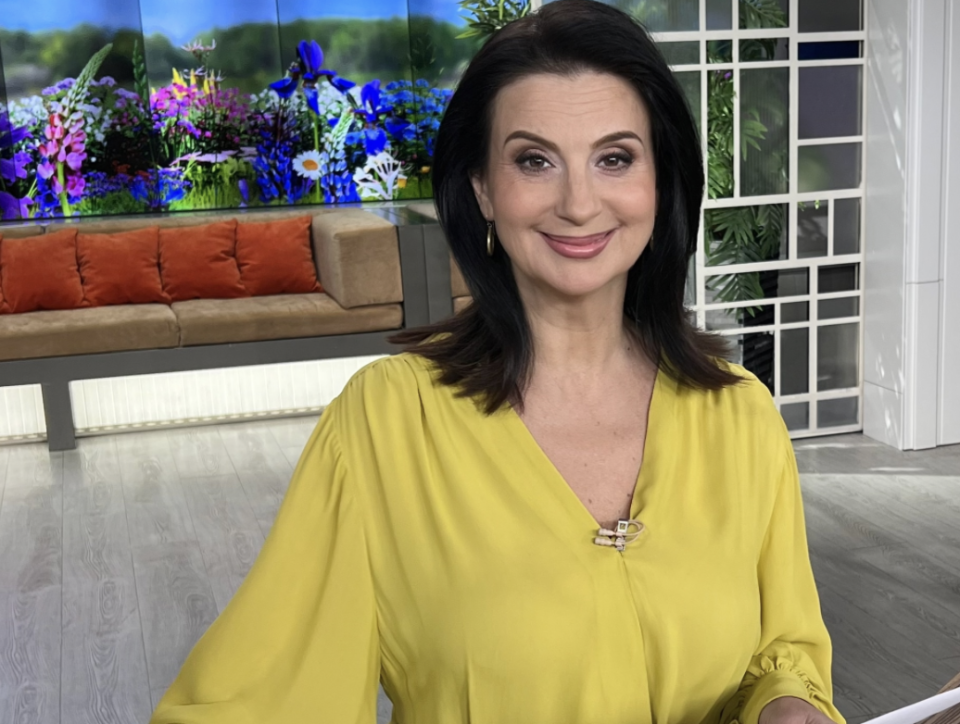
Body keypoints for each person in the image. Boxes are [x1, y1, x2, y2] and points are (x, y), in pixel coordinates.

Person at [149, 1, 846, 723]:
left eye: (614, 158)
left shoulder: (740, 414)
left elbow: (783, 650)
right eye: (534, 160)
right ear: (482, 186)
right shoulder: (385, 425)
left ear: (660, 181)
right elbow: (259, 701)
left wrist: (787, 702)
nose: (579, 203)